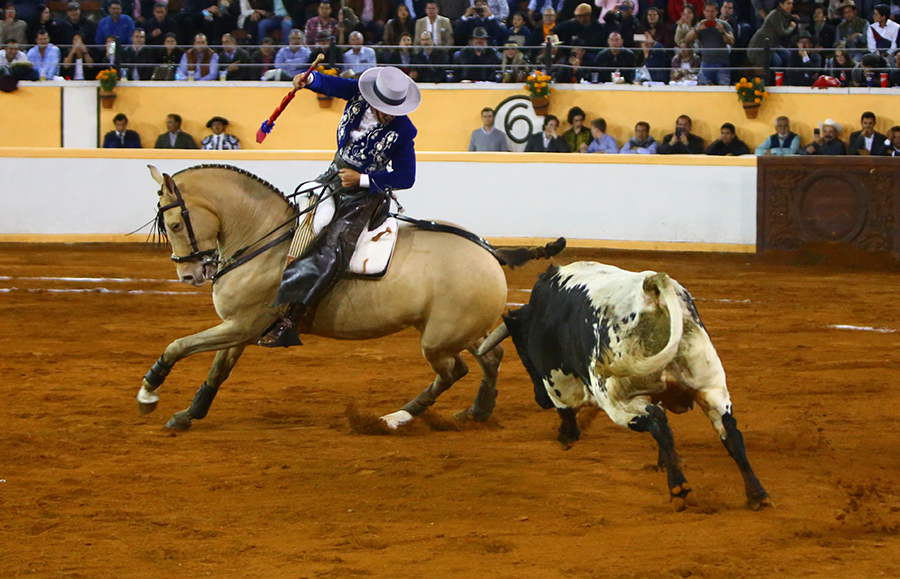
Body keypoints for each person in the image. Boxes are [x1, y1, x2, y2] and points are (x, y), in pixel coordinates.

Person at [258, 66, 421, 347]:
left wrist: (364, 179)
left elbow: (406, 177)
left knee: (335, 248)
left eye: (393, 109)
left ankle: (292, 319)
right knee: (296, 217)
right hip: (333, 175)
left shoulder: (404, 132)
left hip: (364, 196)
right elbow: (330, 84)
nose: (388, 114)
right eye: (384, 107)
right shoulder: (357, 93)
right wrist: (308, 79)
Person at [684, 1, 734, 86]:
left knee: (724, 89)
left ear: (716, 12)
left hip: (722, 64)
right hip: (706, 63)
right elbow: (687, 39)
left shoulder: (724, 25)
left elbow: (731, 41)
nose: (710, 14)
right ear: (704, 11)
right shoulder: (700, 25)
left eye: (712, 11)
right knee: (704, 90)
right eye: (707, 11)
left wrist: (722, 32)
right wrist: (697, 30)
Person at [747, 0, 797, 71]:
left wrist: (792, 18)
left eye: (792, 4)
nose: (791, 6)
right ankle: (773, 80)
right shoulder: (775, 14)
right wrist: (791, 28)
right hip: (762, 45)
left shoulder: (783, 14)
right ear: (781, 4)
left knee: (788, 55)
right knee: (777, 62)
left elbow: (787, 18)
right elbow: (782, 33)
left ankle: (786, 78)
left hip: (773, 45)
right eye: (788, 3)